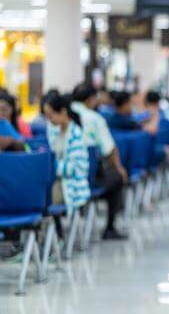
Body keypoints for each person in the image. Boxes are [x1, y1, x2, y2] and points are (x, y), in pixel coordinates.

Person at [72, 83, 128, 240]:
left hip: (61, 177)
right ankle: (109, 227)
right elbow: (109, 148)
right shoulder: (94, 118)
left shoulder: (59, 114)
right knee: (117, 178)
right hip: (86, 178)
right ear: (90, 99)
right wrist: (119, 168)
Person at [44, 93, 91, 238]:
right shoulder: (54, 130)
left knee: (39, 198)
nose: (49, 120)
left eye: (51, 115)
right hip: (56, 181)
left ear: (63, 112)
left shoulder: (76, 134)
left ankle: (53, 238)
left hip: (71, 184)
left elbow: (76, 169)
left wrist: (52, 166)